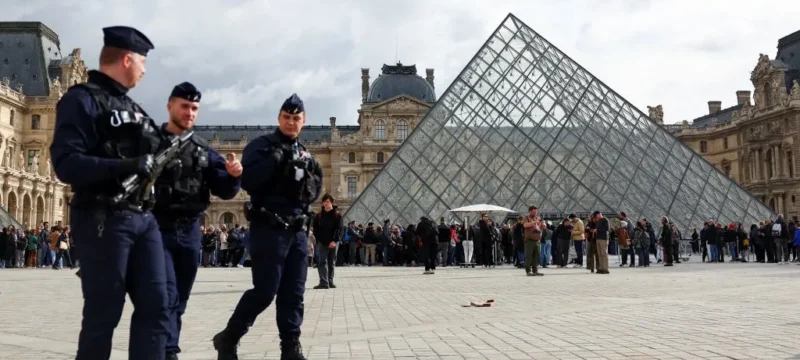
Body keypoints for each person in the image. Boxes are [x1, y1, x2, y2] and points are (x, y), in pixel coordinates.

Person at [49, 26, 170, 360]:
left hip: (143, 218)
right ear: (127, 59)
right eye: (143, 62)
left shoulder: (133, 108)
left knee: (159, 306)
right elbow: (66, 164)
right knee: (104, 312)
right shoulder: (81, 100)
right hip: (103, 214)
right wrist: (126, 166)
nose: (145, 71)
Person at [213, 93, 322, 360]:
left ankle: (291, 348)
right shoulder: (261, 146)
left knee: (294, 294)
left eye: (296, 118)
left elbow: (315, 189)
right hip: (269, 229)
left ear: (303, 121)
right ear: (279, 118)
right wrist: (276, 160)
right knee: (264, 291)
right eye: (287, 117)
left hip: (297, 232)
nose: (291, 122)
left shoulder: (306, 154)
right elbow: (248, 181)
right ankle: (229, 337)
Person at [153, 82, 242, 360]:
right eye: (184, 106)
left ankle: (167, 350)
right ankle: (168, 352)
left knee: (179, 299)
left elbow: (225, 190)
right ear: (170, 106)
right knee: (164, 297)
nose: (189, 112)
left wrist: (234, 175)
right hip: (157, 230)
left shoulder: (204, 150)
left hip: (190, 230)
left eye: (194, 108)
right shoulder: (149, 143)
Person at [311, 194, 342, 289]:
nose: (326, 203)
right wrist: (320, 240)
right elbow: (316, 230)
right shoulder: (319, 215)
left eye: (327, 201)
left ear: (332, 202)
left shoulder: (337, 215)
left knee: (331, 262)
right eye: (324, 202)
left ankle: (330, 281)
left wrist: (334, 240)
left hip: (333, 242)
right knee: (322, 262)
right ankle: (324, 282)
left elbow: (340, 229)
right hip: (322, 242)